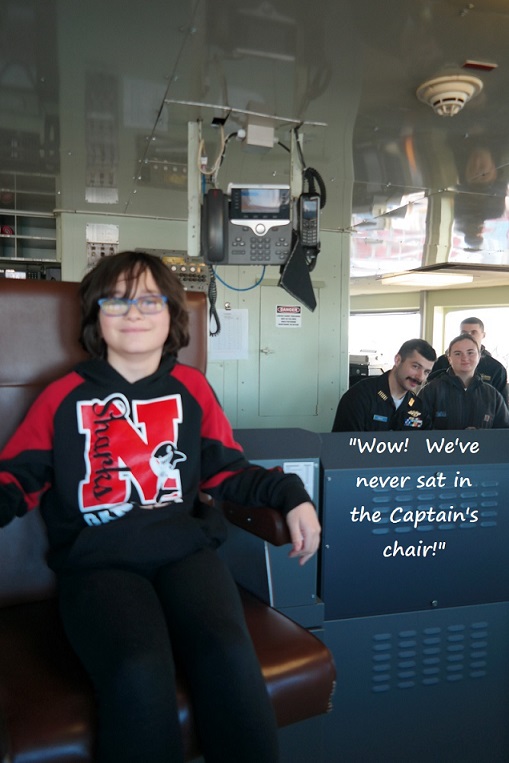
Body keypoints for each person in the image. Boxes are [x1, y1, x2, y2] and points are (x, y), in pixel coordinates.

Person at [0, 251, 321, 763]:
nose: (134, 312)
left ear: (172, 315)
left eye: (150, 300)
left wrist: (292, 496)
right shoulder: (63, 397)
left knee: (228, 655)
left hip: (185, 554)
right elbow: (16, 477)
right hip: (99, 563)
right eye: (117, 300)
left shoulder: (191, 388)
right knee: (137, 669)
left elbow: (225, 469)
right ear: (95, 317)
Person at [331, 338, 436, 432]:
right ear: (398, 360)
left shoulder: (419, 407)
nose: (420, 377)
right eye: (415, 366)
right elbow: (344, 447)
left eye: (426, 372)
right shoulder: (359, 397)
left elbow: (426, 448)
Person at [419, 333, 509, 430]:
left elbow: (503, 433)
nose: (464, 358)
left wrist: (481, 436)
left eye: (470, 353)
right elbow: (417, 430)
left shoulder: (493, 396)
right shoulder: (431, 391)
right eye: (458, 353)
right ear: (449, 358)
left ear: (479, 356)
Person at [428, 316, 507, 401]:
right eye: (464, 332)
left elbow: (502, 405)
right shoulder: (442, 362)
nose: (468, 335)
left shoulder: (495, 368)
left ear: (483, 335)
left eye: (473, 332)